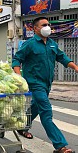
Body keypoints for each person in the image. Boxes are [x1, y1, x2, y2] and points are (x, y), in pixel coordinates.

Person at [12, 17, 78, 153]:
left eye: (48, 24)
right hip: (35, 83)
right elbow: (17, 59)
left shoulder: (52, 44)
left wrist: (76, 67)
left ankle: (23, 127)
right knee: (46, 111)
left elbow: (62, 57)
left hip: (47, 83)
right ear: (35, 28)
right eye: (44, 25)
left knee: (36, 106)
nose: (48, 26)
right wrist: (18, 76)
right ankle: (60, 145)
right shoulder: (30, 44)